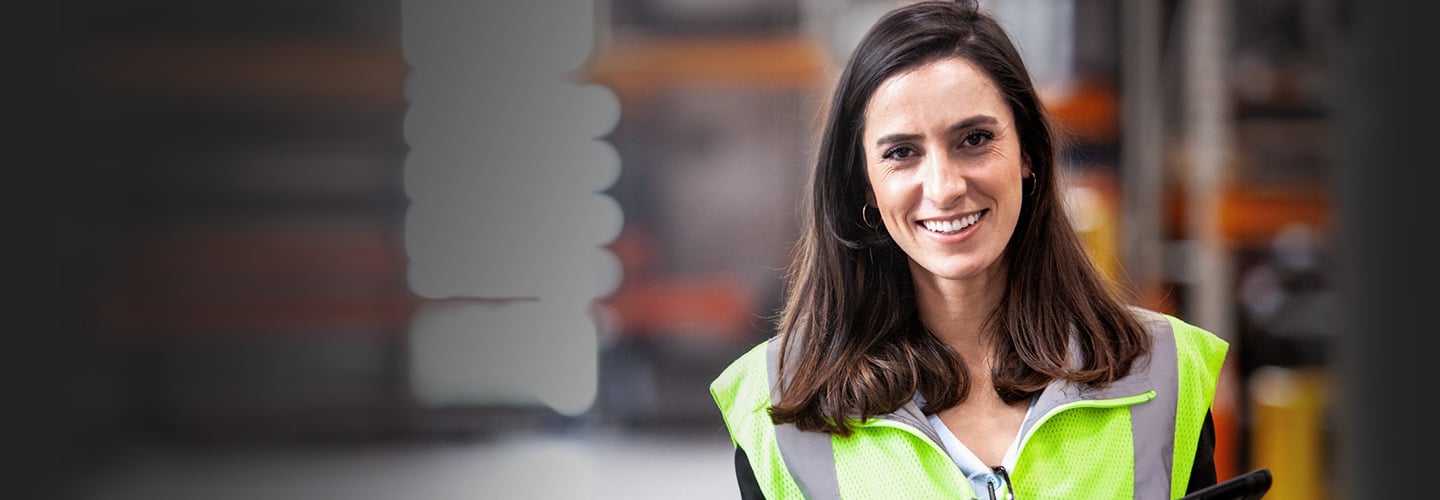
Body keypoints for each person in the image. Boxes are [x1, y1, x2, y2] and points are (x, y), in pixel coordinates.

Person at [709, 1, 1229, 498]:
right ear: (865, 183)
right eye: (901, 152)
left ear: (1027, 153)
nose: (944, 186)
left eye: (974, 139)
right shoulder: (777, 403)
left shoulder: (1163, 373)